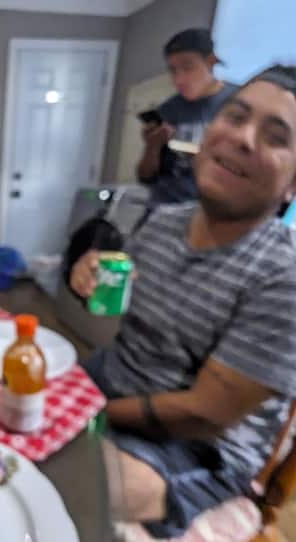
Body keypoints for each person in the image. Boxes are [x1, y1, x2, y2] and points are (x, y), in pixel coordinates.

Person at [70, 65, 296, 537]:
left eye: (276, 137)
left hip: (198, 447)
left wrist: (80, 412)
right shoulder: (161, 222)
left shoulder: (284, 275)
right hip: (114, 380)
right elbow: (119, 304)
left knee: (69, 479)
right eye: (235, 116)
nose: (243, 138)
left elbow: (204, 414)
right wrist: (88, 274)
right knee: (7, 403)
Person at [137, 28, 238, 207]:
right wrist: (152, 147)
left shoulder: (240, 104)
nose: (179, 79)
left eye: (187, 67)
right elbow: (146, 177)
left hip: (213, 211)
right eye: (173, 70)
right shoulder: (168, 110)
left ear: (210, 62)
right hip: (165, 208)